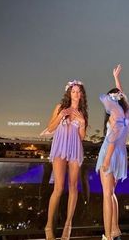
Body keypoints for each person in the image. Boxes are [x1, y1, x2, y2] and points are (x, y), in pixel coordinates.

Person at [96, 65, 129, 240]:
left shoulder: (115, 115)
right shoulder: (125, 113)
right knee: (112, 193)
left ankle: (107, 235)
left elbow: (113, 137)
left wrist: (106, 159)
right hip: (120, 155)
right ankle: (115, 230)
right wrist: (116, 78)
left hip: (110, 152)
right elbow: (121, 94)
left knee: (106, 195)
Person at [42, 80, 88, 240]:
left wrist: (82, 124)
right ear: (69, 93)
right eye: (73, 91)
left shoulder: (82, 113)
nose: (75, 94)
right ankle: (48, 226)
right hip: (60, 148)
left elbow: (81, 137)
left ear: (81, 95)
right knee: (59, 188)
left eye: (78, 91)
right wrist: (61, 115)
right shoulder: (59, 108)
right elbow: (51, 127)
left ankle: (68, 225)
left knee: (73, 186)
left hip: (75, 149)